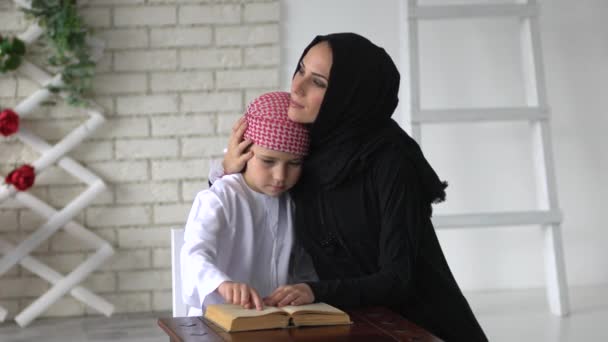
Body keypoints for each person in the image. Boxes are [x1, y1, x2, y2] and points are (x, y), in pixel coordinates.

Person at [216, 33, 488, 340]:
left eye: (318, 82)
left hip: (420, 327)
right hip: (351, 323)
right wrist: (228, 176)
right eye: (300, 69)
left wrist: (314, 291)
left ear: (349, 95)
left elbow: (399, 279)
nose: (296, 86)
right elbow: (260, 217)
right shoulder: (303, 151)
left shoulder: (390, 160)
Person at [181, 91, 315, 317]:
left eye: (294, 163)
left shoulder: (294, 203)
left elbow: (303, 265)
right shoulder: (220, 198)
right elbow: (194, 256)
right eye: (268, 161)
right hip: (218, 321)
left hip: (277, 321)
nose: (280, 176)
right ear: (243, 151)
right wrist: (223, 284)